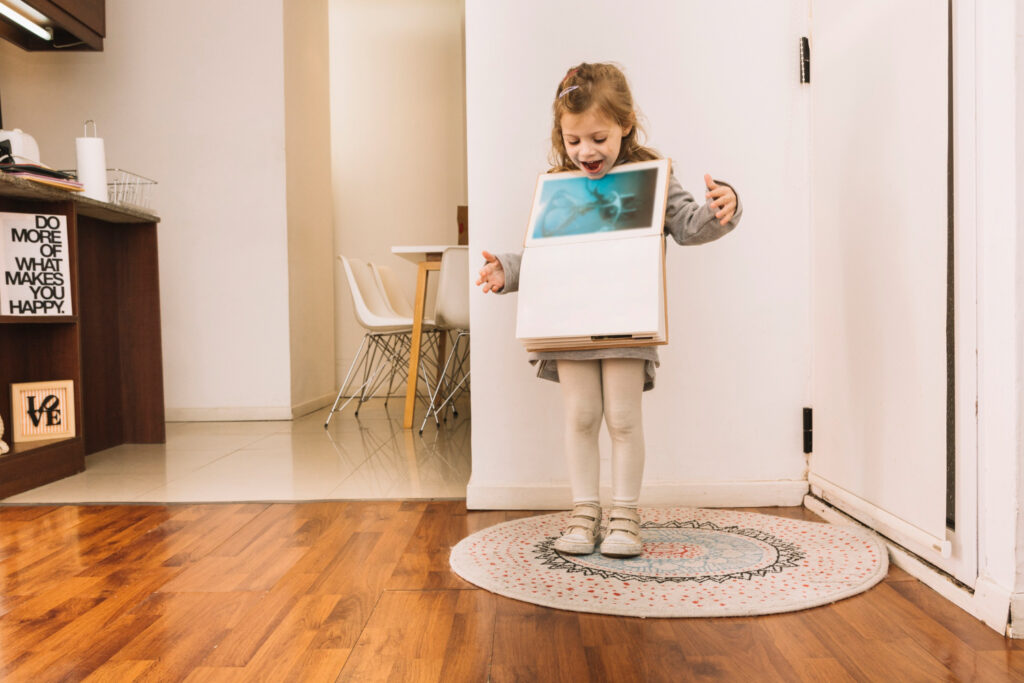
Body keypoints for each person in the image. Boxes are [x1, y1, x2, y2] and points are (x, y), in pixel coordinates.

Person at [476, 62, 742, 558]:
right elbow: (544, 253)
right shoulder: (560, 185)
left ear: (625, 124)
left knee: (622, 418)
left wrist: (722, 208)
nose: (585, 152)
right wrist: (507, 271)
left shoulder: (651, 177)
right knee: (579, 417)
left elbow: (688, 226)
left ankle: (624, 517)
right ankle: (582, 514)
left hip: (626, 321)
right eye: (573, 141)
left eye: (597, 137)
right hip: (571, 324)